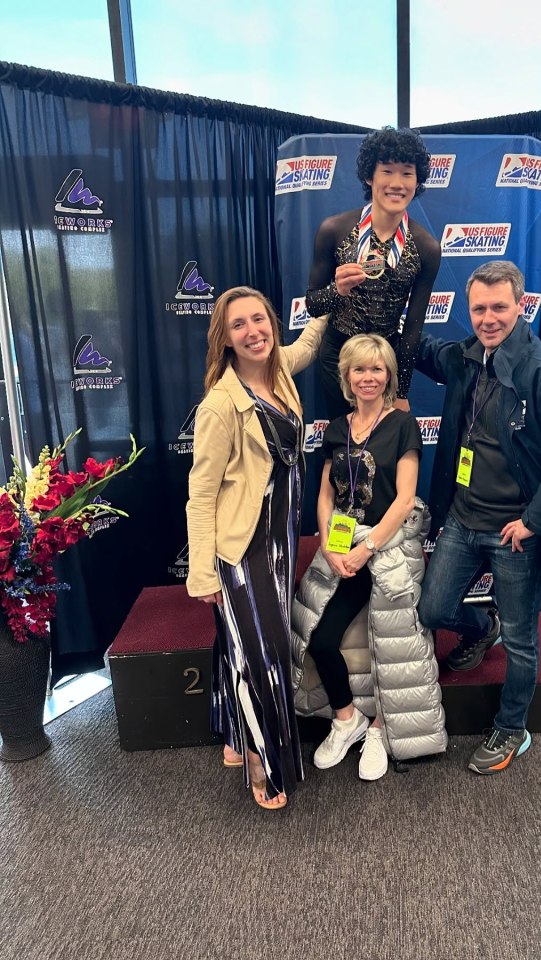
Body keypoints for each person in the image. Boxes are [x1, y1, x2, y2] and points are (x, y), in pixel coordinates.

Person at [415, 260, 541, 775]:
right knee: (432, 610)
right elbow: (418, 350)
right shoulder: (464, 358)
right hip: (461, 518)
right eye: (479, 308)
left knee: (523, 638)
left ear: (521, 306)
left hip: (514, 532)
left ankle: (512, 727)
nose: (489, 317)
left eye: (500, 307)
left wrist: (535, 522)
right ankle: (481, 626)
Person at [186, 285, 327, 810]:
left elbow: (306, 346)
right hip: (242, 549)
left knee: (239, 642)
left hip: (281, 541)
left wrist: (330, 301)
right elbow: (200, 497)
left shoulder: (280, 371)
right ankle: (259, 763)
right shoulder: (221, 405)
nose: (253, 332)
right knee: (262, 656)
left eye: (260, 320)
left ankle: (231, 733)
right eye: (239, 325)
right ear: (224, 337)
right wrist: (203, 575)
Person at [291, 334, 447, 780]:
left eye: (377, 369)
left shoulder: (402, 425)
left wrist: (367, 549)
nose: (368, 377)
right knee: (319, 639)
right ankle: (347, 720)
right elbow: (324, 494)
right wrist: (328, 543)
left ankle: (380, 729)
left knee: (393, 645)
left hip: (387, 549)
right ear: (346, 377)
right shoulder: (337, 428)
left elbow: (404, 499)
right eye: (360, 369)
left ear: (389, 377)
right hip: (342, 547)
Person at [305, 126, 441, 419]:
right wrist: (336, 291)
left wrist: (402, 392)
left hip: (385, 362)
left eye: (407, 173)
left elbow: (413, 330)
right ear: (370, 176)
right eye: (387, 171)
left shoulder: (427, 248)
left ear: (418, 181)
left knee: (381, 451)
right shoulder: (334, 230)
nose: (397, 183)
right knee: (341, 447)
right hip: (339, 359)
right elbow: (312, 305)